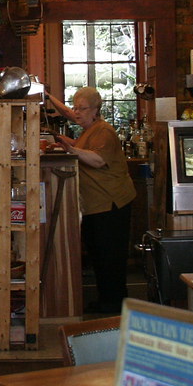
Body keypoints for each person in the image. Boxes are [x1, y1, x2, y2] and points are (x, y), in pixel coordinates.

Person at [45, 87, 136, 314]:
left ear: (96, 110)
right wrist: (62, 140)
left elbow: (97, 160)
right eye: (75, 107)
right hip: (97, 205)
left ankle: (114, 305)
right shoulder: (90, 129)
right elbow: (71, 121)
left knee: (110, 256)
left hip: (111, 203)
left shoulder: (104, 131)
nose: (77, 112)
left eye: (82, 108)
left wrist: (70, 149)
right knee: (99, 255)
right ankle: (108, 300)